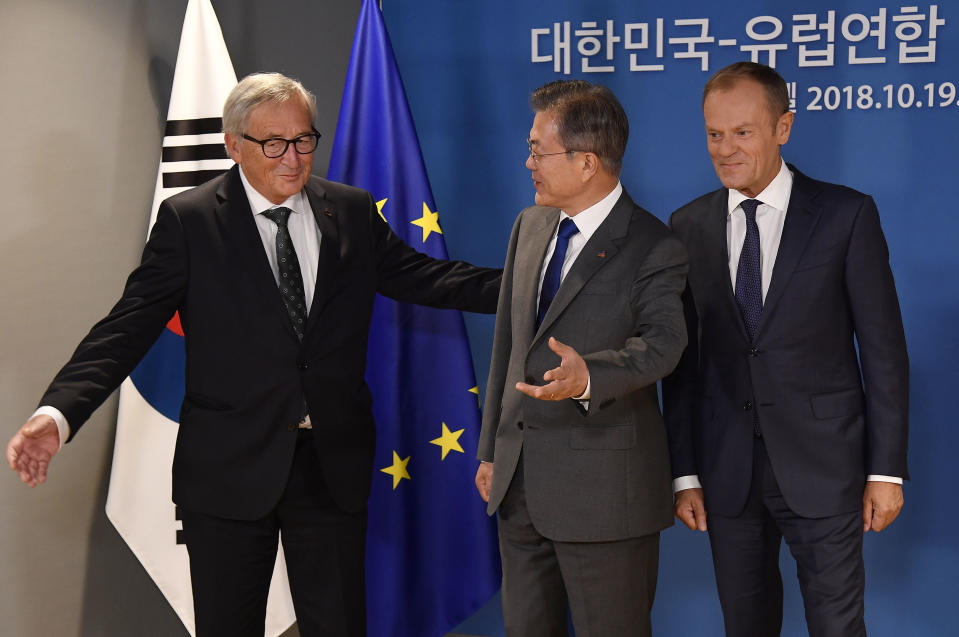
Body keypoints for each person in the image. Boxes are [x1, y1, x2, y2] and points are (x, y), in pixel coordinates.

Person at [6, 72, 500, 637]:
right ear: (233, 144)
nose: (292, 158)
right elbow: (125, 329)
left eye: (303, 140)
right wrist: (58, 414)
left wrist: (533, 286)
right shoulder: (190, 221)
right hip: (228, 472)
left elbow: (429, 279)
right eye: (273, 143)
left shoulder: (352, 210)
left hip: (329, 466)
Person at [663, 61, 909, 637]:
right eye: (714, 134)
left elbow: (884, 353)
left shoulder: (847, 215)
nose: (725, 149)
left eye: (742, 132)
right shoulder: (687, 225)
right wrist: (685, 473)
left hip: (827, 468)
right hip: (726, 474)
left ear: (784, 128)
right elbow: (680, 365)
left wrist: (887, 472)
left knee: (837, 627)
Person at [474, 79, 688, 637]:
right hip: (520, 490)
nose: (527, 163)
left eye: (538, 151)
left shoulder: (655, 246)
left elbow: (664, 344)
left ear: (587, 162)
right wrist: (493, 451)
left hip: (605, 497)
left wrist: (590, 376)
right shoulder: (530, 225)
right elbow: (509, 346)